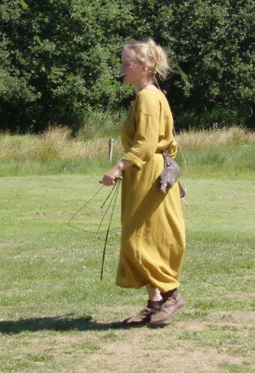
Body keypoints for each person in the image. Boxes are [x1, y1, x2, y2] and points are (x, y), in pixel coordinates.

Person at [100, 39, 186, 326]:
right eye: (122, 62)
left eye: (127, 63)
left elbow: (147, 144)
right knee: (138, 237)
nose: (122, 68)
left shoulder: (149, 98)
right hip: (143, 175)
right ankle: (154, 303)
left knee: (140, 239)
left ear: (145, 67)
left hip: (149, 174)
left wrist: (119, 165)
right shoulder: (145, 96)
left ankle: (171, 295)